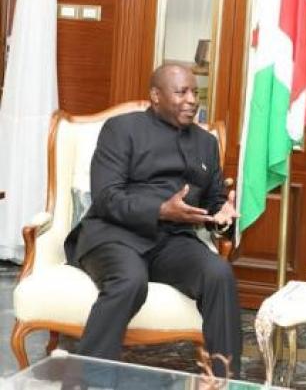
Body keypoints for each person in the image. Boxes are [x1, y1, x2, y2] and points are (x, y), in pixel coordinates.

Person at [63, 63, 241, 377]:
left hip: (172, 241)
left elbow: (213, 203)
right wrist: (160, 209)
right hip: (115, 235)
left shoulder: (206, 143)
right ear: (156, 96)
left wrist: (222, 217)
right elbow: (106, 197)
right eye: (181, 92)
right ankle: (88, 382)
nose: (192, 100)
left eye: (195, 93)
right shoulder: (122, 129)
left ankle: (225, 380)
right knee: (130, 281)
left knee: (218, 273)